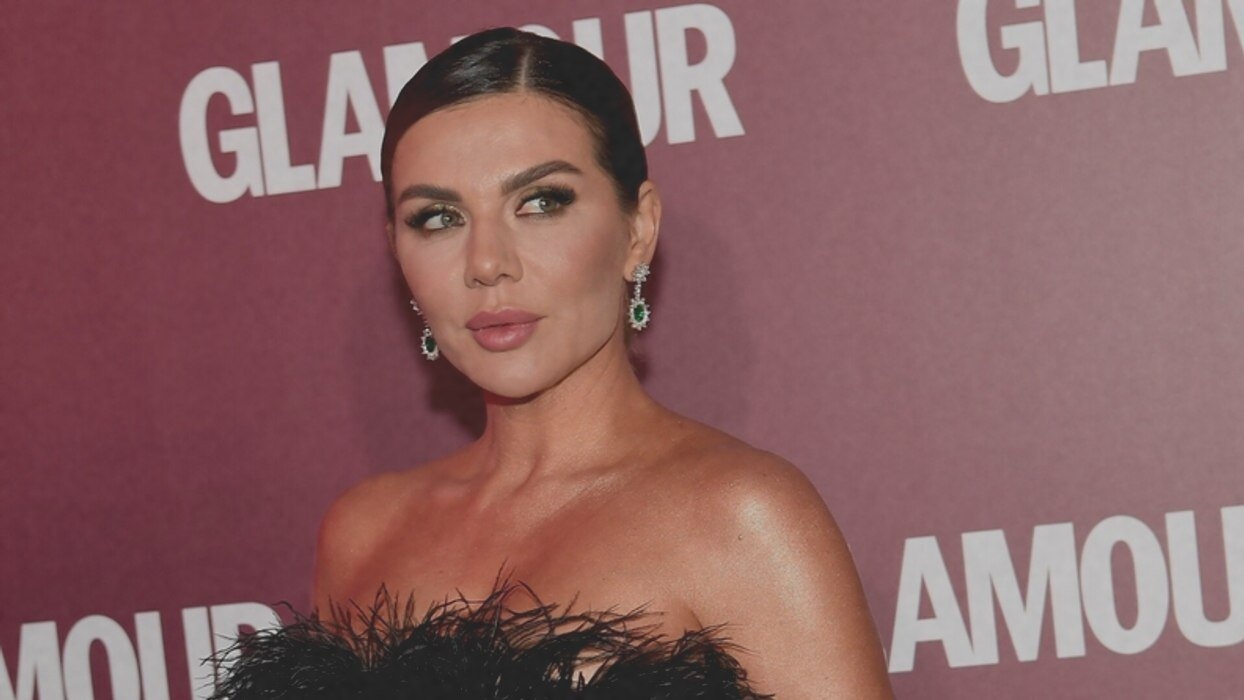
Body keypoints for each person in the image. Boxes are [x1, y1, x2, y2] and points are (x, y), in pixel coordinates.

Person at [307, 27, 893, 698]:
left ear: (638, 229)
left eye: (541, 202)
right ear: (396, 249)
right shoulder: (361, 535)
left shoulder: (739, 518)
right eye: (438, 218)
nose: (487, 263)